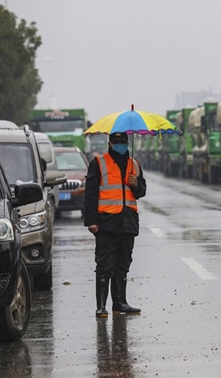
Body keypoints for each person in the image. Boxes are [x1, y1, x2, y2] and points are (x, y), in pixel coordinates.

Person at [85, 132, 147, 318]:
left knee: (123, 264)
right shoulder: (98, 163)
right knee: (104, 264)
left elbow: (141, 192)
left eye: (124, 143)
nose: (121, 146)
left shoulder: (134, 164)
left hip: (128, 222)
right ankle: (101, 306)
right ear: (110, 144)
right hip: (106, 223)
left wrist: (135, 185)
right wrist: (91, 221)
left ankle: (120, 303)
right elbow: (90, 194)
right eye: (118, 143)